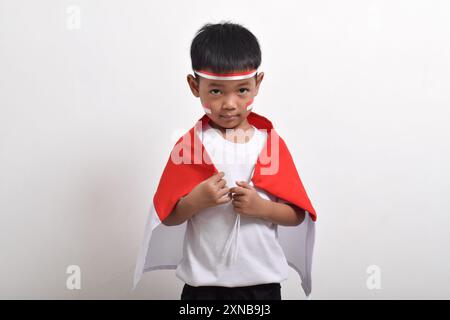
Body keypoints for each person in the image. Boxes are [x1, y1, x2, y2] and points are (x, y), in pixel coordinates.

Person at [133, 21, 317, 300]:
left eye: (242, 90)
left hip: (262, 285)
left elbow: (297, 214)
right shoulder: (191, 147)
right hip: (202, 288)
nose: (229, 103)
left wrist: (262, 208)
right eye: (216, 91)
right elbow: (167, 216)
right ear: (195, 86)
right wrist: (194, 202)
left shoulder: (269, 145)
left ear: (258, 84)